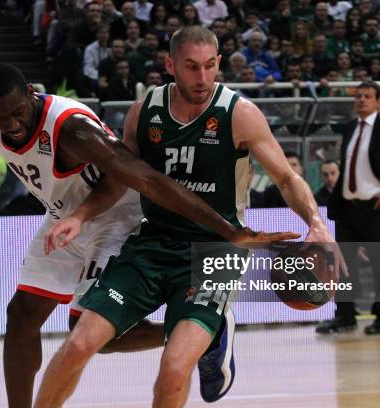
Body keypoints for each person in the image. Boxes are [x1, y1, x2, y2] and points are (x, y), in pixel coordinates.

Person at [0, 63, 295, 408]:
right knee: (20, 315)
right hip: (64, 218)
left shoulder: (73, 130)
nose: (13, 125)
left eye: (19, 113)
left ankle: (202, 330)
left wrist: (229, 230)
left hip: (117, 217)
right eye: (3, 118)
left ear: (32, 94)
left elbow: (150, 180)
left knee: (87, 334)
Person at [33, 26, 341, 408]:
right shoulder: (145, 111)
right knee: (80, 342)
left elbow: (287, 178)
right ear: (170, 65)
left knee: (175, 368)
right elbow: (119, 180)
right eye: (192, 67)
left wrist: (315, 221)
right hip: (152, 241)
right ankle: (214, 332)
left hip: (216, 250)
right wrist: (79, 216)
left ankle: (210, 331)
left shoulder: (239, 113)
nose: (202, 77)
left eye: (210, 66)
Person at [318, 80, 380, 335]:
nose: (361, 100)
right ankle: (345, 316)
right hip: (348, 207)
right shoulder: (351, 127)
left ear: (378, 101)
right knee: (343, 265)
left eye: (367, 96)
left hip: (377, 207)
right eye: (358, 96)